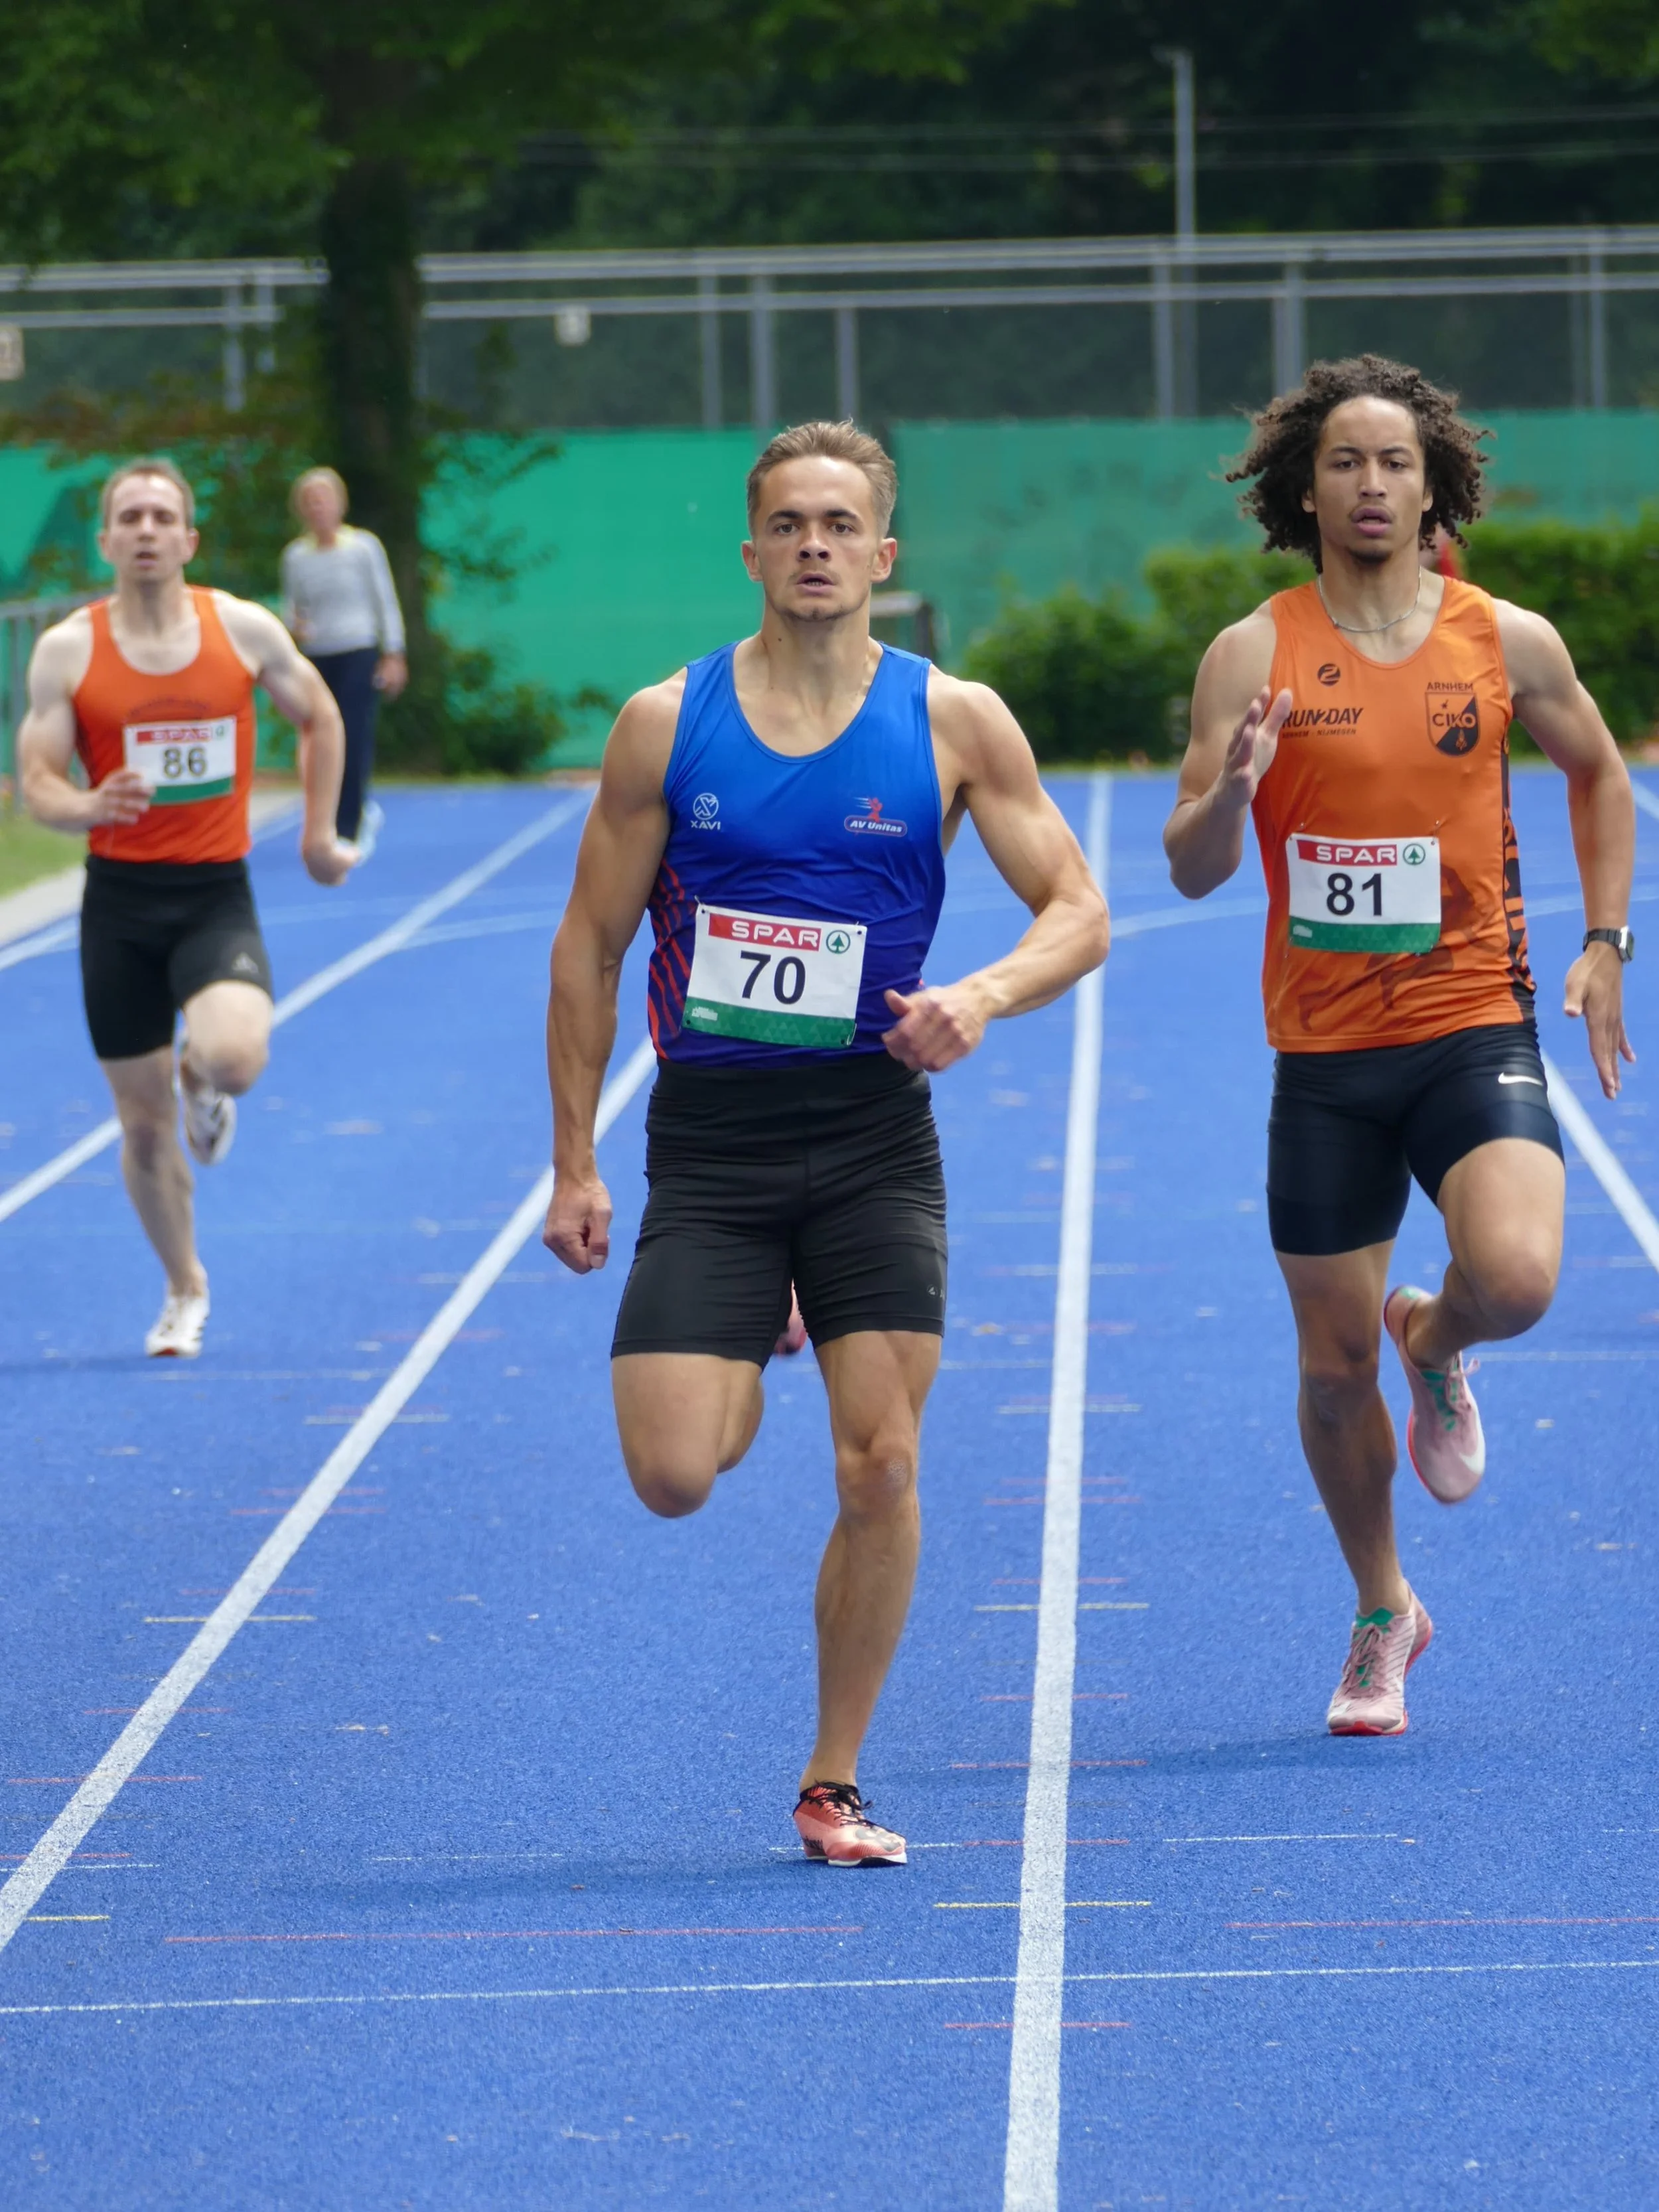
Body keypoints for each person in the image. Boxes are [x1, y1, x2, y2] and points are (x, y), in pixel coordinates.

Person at [543, 419, 1110, 1864]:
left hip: (870, 1142)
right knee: (676, 1470)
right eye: (786, 523)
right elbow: (588, 946)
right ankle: (754, 1327)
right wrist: (574, 1161)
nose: (812, 545)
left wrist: (975, 996)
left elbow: (1078, 909)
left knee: (880, 1465)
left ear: (881, 555)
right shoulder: (666, 724)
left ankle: (833, 1775)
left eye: (837, 525)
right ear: (749, 551)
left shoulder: (952, 721)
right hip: (716, 1152)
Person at [1163, 355, 1636, 1737]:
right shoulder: (1250, 653)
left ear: (1432, 483)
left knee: (1519, 1274)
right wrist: (1231, 791)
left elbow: (1600, 773)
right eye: (1343, 464)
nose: (1369, 486)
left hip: (1465, 1021)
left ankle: (1435, 1337)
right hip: (1322, 1057)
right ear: (1299, 488)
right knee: (1323, 1370)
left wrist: (1605, 943)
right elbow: (1188, 864)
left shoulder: (1505, 639)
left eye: (1392, 463)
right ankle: (1382, 1607)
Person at [18, 456, 356, 1358]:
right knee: (139, 1122)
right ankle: (184, 1285)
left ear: (188, 538)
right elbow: (37, 780)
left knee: (235, 1056)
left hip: (213, 894)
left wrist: (320, 836)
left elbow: (321, 714)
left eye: (162, 517)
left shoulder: (240, 630)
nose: (145, 531)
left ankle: (205, 1082)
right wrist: (86, 806)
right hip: (119, 906)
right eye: (128, 517)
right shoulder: (69, 650)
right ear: (105, 539)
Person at [281, 467, 407, 857]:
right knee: (317, 735)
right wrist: (294, 630)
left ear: (340, 503)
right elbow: (292, 608)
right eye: (311, 502)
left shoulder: (363, 547)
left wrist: (393, 654)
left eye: (325, 499)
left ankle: (351, 823)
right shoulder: (296, 557)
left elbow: (384, 599)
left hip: (358, 648)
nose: (319, 508)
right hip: (318, 654)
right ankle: (325, 818)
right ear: (302, 510)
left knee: (351, 732)